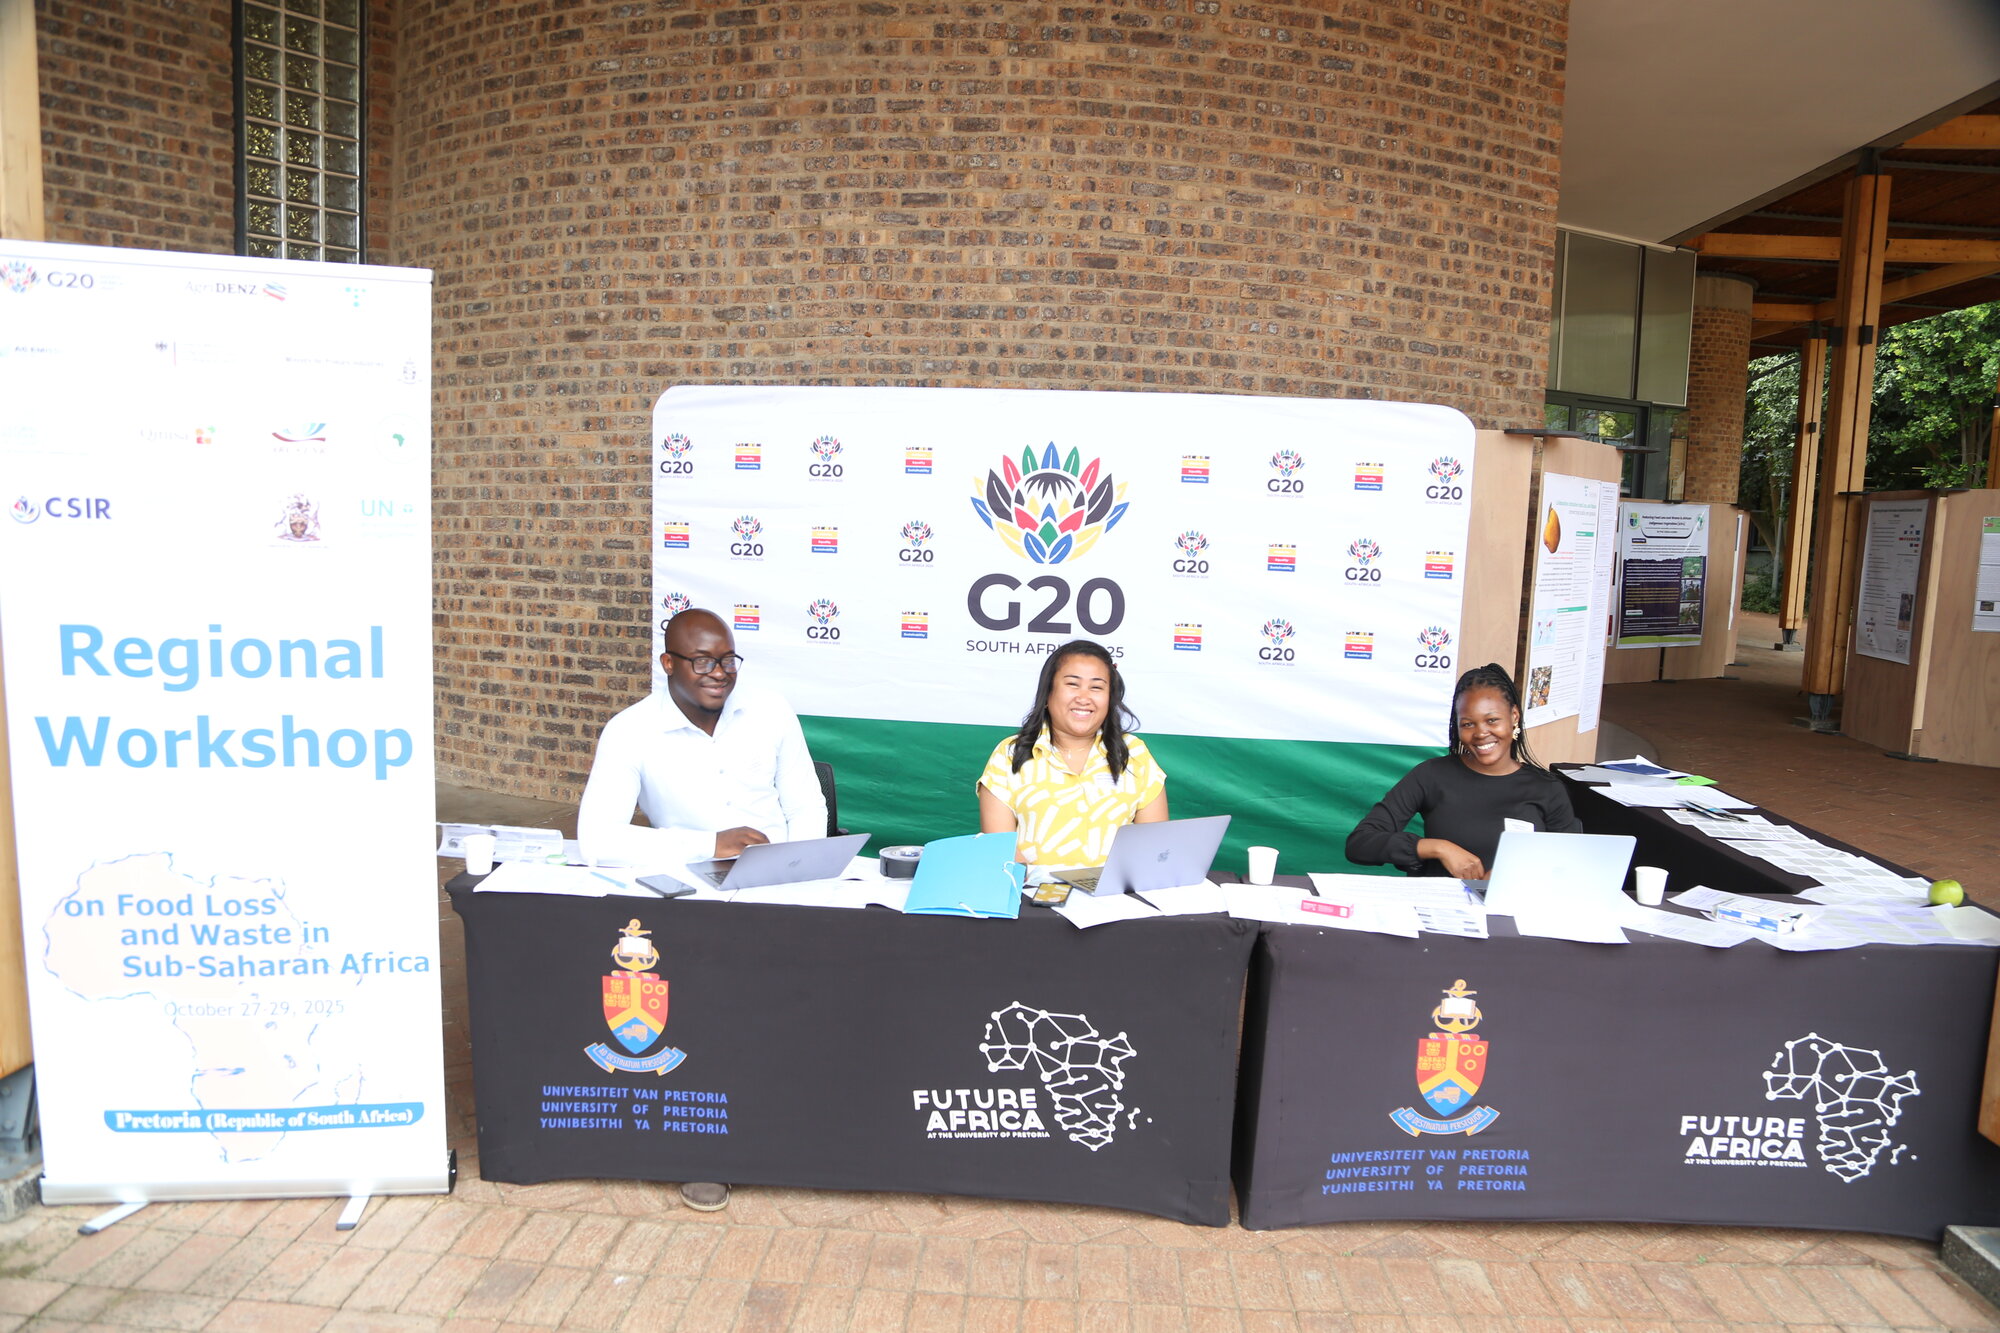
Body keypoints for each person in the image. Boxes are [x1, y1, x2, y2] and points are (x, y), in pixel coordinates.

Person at [576, 606, 827, 1214]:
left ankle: (808, 1136)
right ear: (669, 664)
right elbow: (596, 838)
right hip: (691, 894)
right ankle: (710, 1149)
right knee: (703, 1013)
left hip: (781, 884)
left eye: (728, 660)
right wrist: (707, 845)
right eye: (704, 661)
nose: (720, 673)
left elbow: (808, 806)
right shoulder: (631, 730)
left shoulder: (769, 711)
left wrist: (803, 871)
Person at [1345, 662, 1579, 880]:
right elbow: (1360, 844)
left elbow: (1572, 867)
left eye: (1492, 720)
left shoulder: (1547, 788)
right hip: (1439, 911)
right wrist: (1438, 848)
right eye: (1468, 724)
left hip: (1513, 915)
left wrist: (1516, 874)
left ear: (1514, 717)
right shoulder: (1431, 775)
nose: (1480, 733)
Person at [977, 640, 1167, 868]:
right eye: (1072, 684)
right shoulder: (1010, 754)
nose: (1084, 697)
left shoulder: (1134, 753)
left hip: (1114, 896)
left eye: (1096, 687)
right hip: (1032, 895)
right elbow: (1001, 849)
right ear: (1048, 693)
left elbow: (1153, 847)